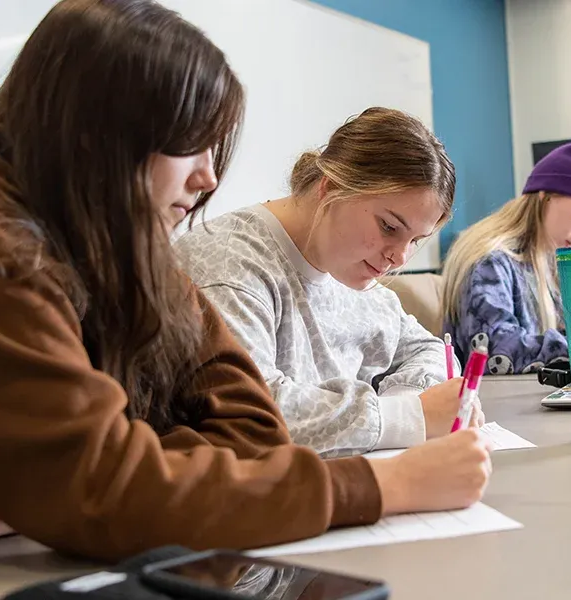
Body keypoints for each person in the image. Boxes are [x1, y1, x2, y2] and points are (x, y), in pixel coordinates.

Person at [0, 0, 492, 560]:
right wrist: (382, 484)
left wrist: (89, 484)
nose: (209, 176)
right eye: (191, 143)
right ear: (98, 133)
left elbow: (253, 431)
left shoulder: (110, 244)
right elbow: (112, 489)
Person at [175, 107, 482, 458]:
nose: (399, 258)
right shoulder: (228, 263)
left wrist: (408, 398)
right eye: (389, 227)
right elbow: (248, 413)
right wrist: (407, 417)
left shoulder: (353, 274)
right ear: (331, 187)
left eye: (415, 240)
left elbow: (427, 350)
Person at [442, 142, 571, 375]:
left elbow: (566, 331)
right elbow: (494, 349)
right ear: (546, 196)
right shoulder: (490, 262)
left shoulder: (546, 263)